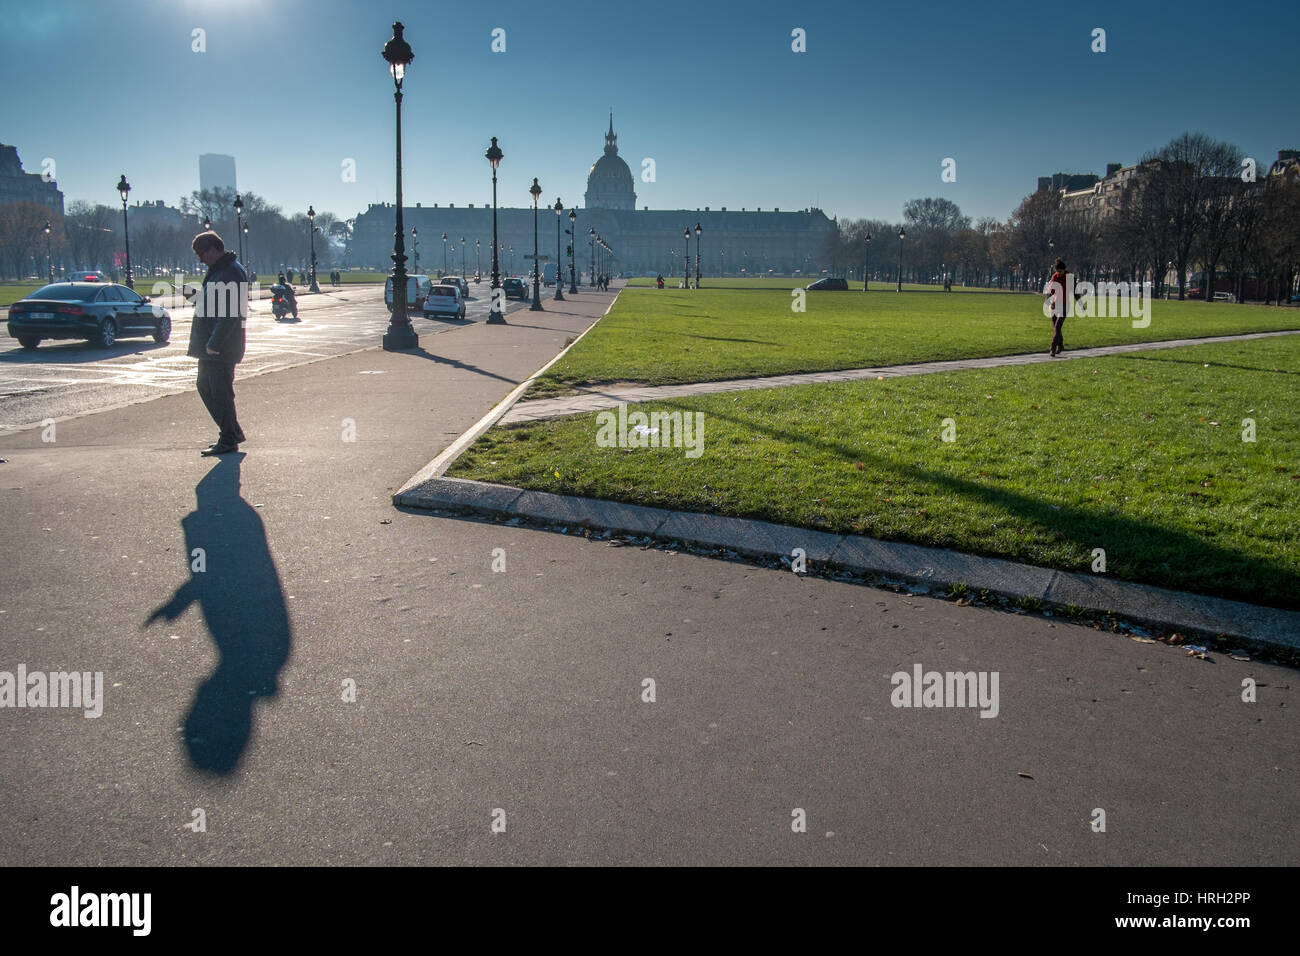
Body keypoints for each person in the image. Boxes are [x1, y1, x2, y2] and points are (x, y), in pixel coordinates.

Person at [188, 230, 247, 455]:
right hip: (214, 343)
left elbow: (231, 313)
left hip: (219, 345)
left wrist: (215, 342)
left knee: (219, 391)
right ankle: (230, 434)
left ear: (213, 249)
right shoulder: (223, 270)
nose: (200, 259)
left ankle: (229, 437)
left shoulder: (229, 272)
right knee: (207, 387)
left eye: (201, 254)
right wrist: (194, 296)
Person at [1044, 258, 1070, 356]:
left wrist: (1080, 304)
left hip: (1065, 305)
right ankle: (1061, 345)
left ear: (1064, 270)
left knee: (1058, 326)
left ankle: (1052, 348)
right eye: (1057, 271)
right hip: (1054, 304)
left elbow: (1075, 292)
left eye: (1060, 271)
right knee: (1056, 327)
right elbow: (1050, 291)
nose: (1059, 273)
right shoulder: (1054, 277)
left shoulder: (1069, 278)